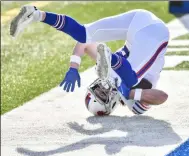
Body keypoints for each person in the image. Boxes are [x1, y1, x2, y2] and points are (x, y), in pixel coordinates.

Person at [10, 5, 169, 115]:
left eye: (98, 91)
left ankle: (37, 15)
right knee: (129, 79)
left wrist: (74, 66)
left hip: (139, 20)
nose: (101, 88)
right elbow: (162, 97)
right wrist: (129, 93)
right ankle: (111, 58)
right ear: (110, 104)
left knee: (84, 33)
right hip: (154, 34)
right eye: (102, 94)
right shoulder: (134, 104)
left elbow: (84, 44)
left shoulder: (106, 73)